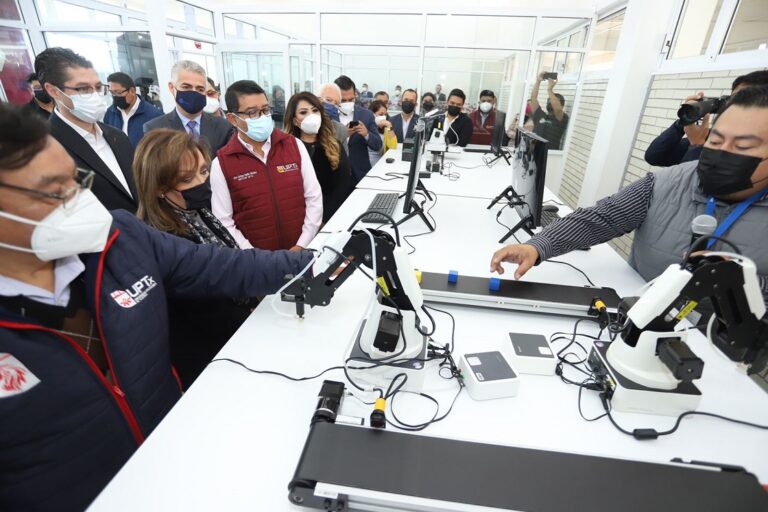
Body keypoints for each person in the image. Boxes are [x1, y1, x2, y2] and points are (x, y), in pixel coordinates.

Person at [0, 103, 313, 511]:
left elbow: (226, 266)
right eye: (54, 189)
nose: (80, 200)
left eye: (75, 180)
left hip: (173, 463)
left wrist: (319, 262)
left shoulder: (121, 238)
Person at [490, 86, 768, 306]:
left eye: (743, 145)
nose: (722, 152)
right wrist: (536, 247)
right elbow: (599, 219)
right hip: (641, 312)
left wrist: (744, 282)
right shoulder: (665, 183)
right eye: (716, 140)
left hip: (724, 347)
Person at [132, 129, 254, 389]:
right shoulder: (163, 240)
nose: (201, 182)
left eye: (204, 172)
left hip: (231, 340)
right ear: (159, 188)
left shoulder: (199, 214)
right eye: (187, 178)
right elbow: (207, 306)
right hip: (207, 360)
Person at [211, 80, 322, 251]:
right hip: (257, 263)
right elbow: (223, 220)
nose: (262, 117)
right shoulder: (222, 163)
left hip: (301, 252)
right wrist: (254, 255)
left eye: (265, 110)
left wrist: (302, 244)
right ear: (233, 119)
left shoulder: (294, 146)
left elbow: (313, 197)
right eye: (252, 113)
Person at [35, 47, 137, 213]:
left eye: (97, 87)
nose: (94, 95)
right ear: (54, 91)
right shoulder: (44, 148)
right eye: (83, 89)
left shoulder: (116, 136)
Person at [645, 70, 768, 167]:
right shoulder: (709, 138)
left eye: (747, 100)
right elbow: (654, 157)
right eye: (734, 99)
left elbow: (693, 191)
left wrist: (696, 146)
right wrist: (684, 122)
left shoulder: (759, 155)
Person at [143, 60, 233, 158]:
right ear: (172, 87)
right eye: (186, 87)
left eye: (200, 89)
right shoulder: (155, 129)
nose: (193, 93)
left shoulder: (223, 127)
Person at [284, 92, 352, 222]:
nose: (311, 116)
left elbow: (342, 186)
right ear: (294, 120)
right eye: (303, 112)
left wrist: (324, 219)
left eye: (315, 110)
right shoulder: (285, 149)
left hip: (328, 217)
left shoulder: (334, 145)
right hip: (297, 220)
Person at [334, 75, 382, 182]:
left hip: (360, 175)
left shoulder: (366, 115)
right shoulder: (327, 116)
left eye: (351, 99)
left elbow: (378, 145)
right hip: (335, 175)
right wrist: (344, 135)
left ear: (355, 95)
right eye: (343, 100)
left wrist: (366, 134)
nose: (347, 103)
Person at [103, 72, 163, 148]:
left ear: (132, 91)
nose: (115, 96)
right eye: (112, 93)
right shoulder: (110, 113)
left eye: (118, 92)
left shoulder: (155, 115)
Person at [530, 71, 570, 150]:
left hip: (550, 155)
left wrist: (550, 90)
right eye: (549, 100)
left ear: (561, 106)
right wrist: (538, 81)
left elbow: (558, 110)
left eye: (554, 101)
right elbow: (533, 99)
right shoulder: (540, 115)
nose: (551, 102)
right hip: (534, 152)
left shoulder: (561, 118)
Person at [317, 82, 348, 150]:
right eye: (328, 100)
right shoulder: (304, 124)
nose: (332, 105)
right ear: (317, 99)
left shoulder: (340, 130)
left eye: (336, 103)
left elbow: (344, 159)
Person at [368, 100, 399, 167]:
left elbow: (393, 146)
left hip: (380, 164)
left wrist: (390, 127)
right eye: (381, 114)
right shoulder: (365, 127)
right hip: (366, 165)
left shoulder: (385, 129)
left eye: (385, 114)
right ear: (372, 114)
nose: (384, 117)